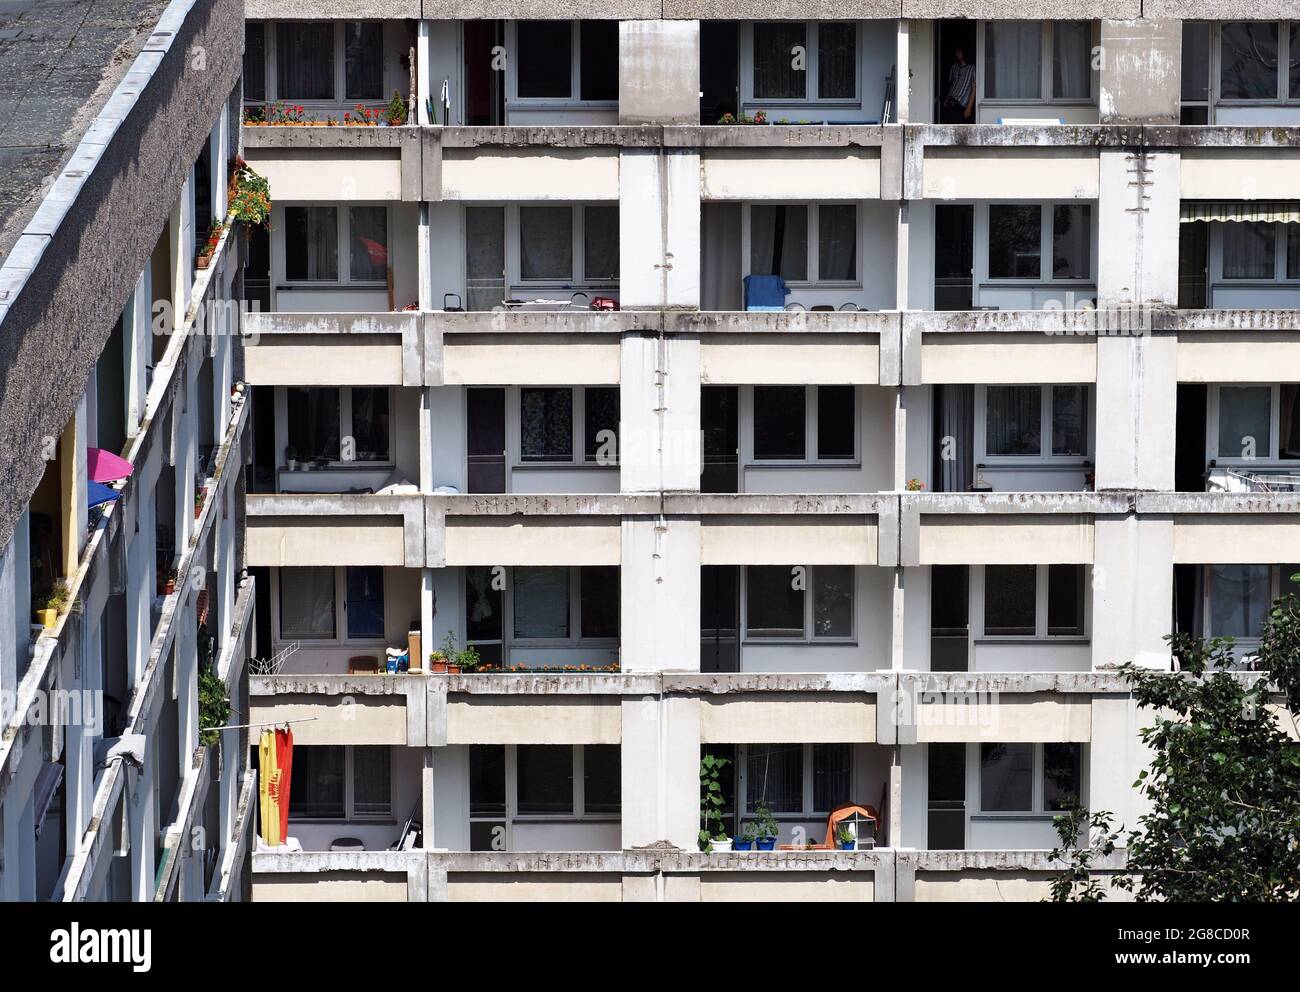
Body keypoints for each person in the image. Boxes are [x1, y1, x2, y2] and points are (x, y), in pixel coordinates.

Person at [942, 48, 976, 123]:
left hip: (961, 105)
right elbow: (952, 85)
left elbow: (974, 89)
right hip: (951, 102)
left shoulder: (972, 68)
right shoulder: (954, 67)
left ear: (964, 54)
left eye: (958, 52)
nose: (956, 55)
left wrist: (969, 108)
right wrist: (947, 99)